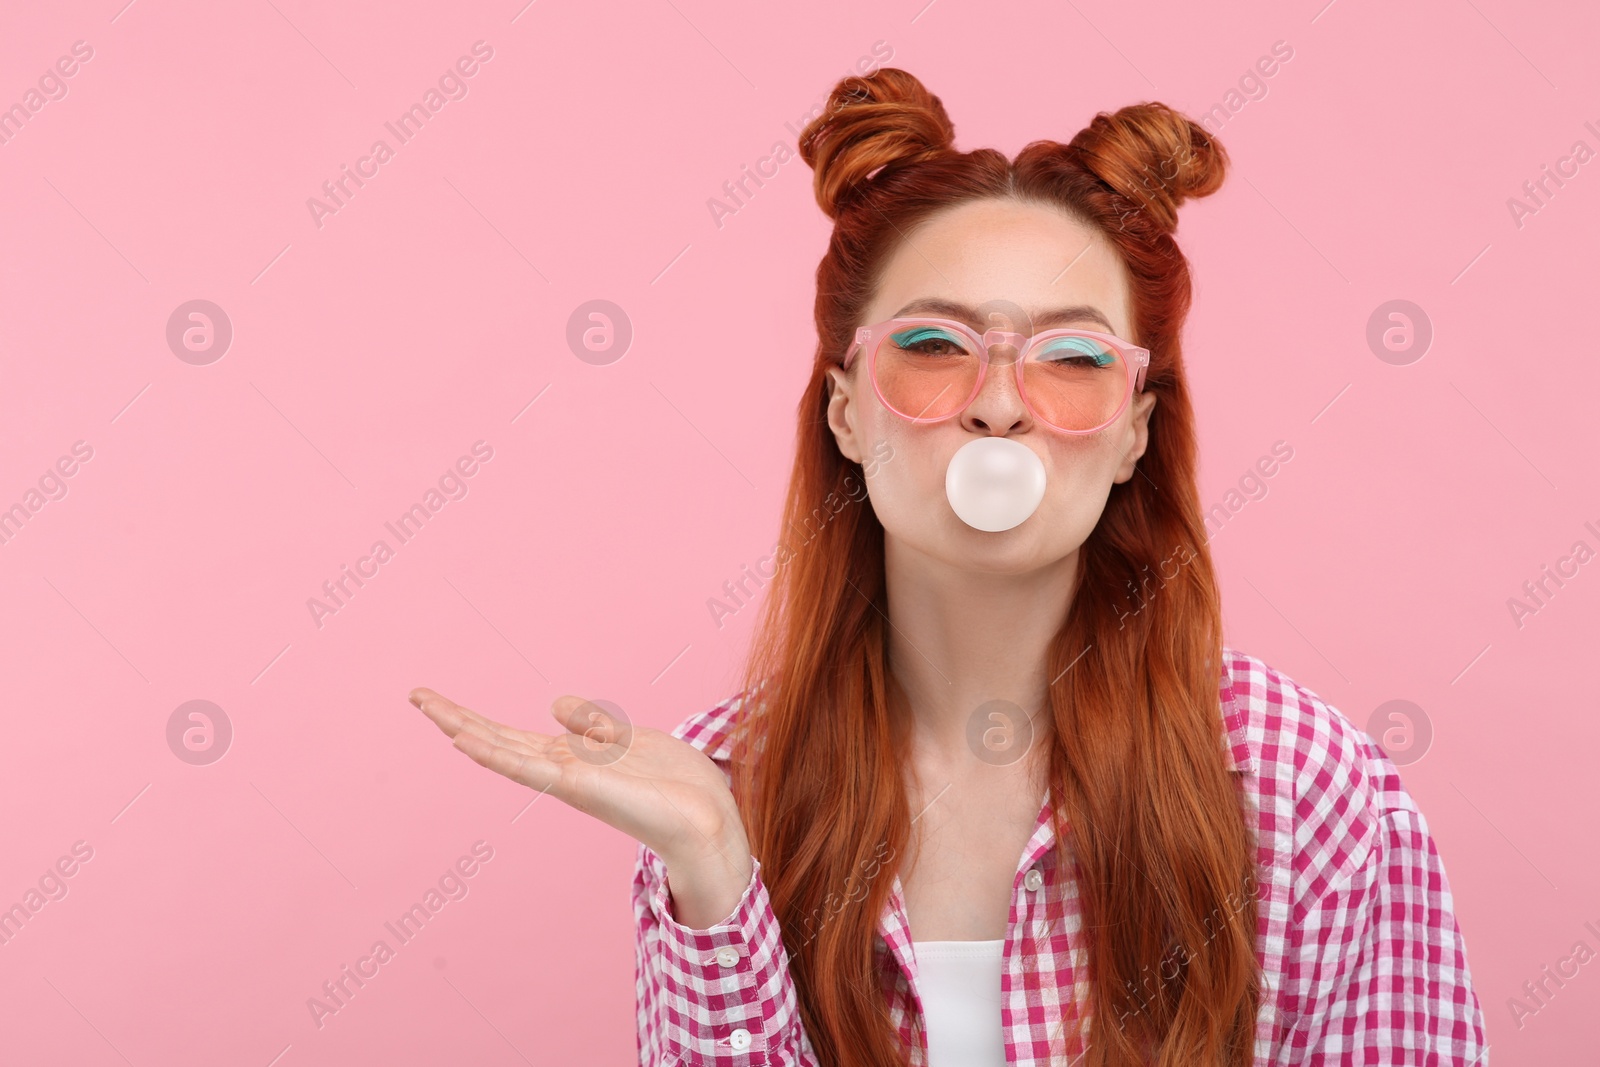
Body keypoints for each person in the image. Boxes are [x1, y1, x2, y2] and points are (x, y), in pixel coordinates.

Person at [408, 67, 1488, 1067]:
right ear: (843, 408)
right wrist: (713, 869)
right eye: (932, 346)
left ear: (1133, 433)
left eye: (1072, 360)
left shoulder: (1297, 785)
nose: (1000, 401)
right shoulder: (717, 787)